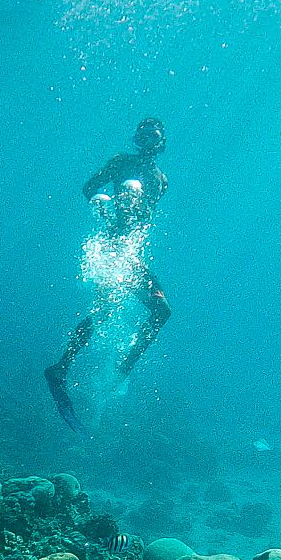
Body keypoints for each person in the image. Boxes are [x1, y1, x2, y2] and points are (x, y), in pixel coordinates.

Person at [45, 118, 172, 434]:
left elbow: (144, 219)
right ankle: (68, 370)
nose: (148, 141)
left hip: (129, 252)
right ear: (136, 139)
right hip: (112, 247)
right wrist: (106, 209)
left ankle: (110, 370)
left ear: (161, 142)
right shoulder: (121, 163)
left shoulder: (160, 180)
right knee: (109, 311)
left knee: (154, 310)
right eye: (143, 135)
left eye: (153, 136)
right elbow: (89, 187)